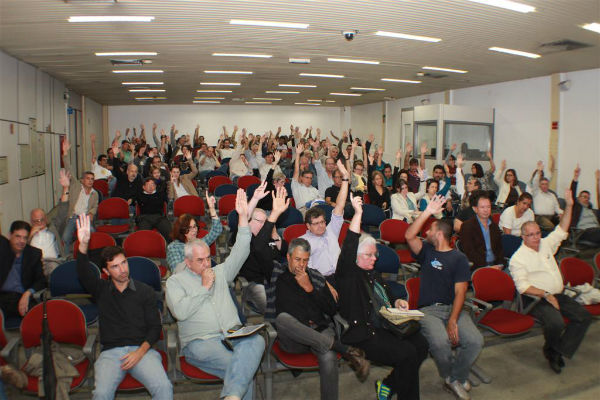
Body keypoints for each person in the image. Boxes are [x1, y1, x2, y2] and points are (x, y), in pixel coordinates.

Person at [166, 189, 264, 400]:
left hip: (232, 332)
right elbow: (181, 312)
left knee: (257, 342)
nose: (206, 264)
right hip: (201, 342)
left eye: (208, 258)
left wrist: (243, 218)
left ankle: (231, 396)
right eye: (200, 261)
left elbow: (241, 251)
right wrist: (203, 288)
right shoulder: (175, 282)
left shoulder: (219, 272)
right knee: (241, 369)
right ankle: (234, 395)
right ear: (188, 262)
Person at [335, 193, 429, 400]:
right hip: (365, 333)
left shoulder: (372, 272)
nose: (374, 259)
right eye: (368, 255)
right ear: (355, 258)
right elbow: (349, 246)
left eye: (375, 255)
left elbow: (384, 295)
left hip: (385, 323)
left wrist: (396, 301)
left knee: (422, 345)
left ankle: (387, 384)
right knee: (407, 353)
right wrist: (358, 214)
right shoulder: (348, 275)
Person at [75, 214, 172, 399]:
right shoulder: (101, 289)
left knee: (164, 387)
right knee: (101, 394)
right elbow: (83, 273)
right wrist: (83, 245)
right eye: (115, 267)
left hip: (142, 350)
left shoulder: (145, 291)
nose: (123, 270)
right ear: (105, 271)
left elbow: (155, 327)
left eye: (124, 263)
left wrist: (140, 352)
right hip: (111, 354)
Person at [406, 195, 483, 400]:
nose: (427, 232)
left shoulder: (458, 258)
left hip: (453, 309)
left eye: (430, 230)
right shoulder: (427, 252)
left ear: (439, 234)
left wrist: (453, 320)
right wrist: (427, 212)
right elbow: (409, 235)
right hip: (428, 311)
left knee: (476, 340)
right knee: (440, 343)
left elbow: (461, 292)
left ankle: (455, 377)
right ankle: (453, 378)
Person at [274, 237, 370, 400]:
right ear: (289, 258)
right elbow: (290, 313)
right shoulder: (280, 279)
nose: (301, 265)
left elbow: (332, 309)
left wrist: (310, 289)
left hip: (320, 331)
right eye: (297, 259)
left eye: (305, 260)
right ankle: (345, 350)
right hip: (296, 339)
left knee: (329, 356)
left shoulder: (315, 278)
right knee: (283, 319)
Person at [509, 190, 591, 374]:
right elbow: (523, 287)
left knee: (583, 317)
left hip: (557, 295)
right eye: (531, 235)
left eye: (538, 233)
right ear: (523, 237)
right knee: (556, 323)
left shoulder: (545, 244)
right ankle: (554, 352)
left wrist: (569, 206)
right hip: (536, 299)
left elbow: (562, 229)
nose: (536, 237)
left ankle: (555, 350)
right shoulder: (517, 259)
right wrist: (545, 294)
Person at [239, 187, 289, 314]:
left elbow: (285, 251)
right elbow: (258, 247)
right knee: (275, 309)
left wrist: (276, 236)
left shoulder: (268, 235)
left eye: (265, 222)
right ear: (248, 222)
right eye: (259, 221)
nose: (263, 225)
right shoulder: (242, 238)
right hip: (255, 283)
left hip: (275, 278)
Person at [301, 160, 350, 285]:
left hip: (342, 276)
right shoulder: (303, 242)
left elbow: (339, 206)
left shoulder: (330, 231)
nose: (321, 226)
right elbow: (307, 273)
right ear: (308, 226)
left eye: (322, 222)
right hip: (321, 282)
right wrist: (326, 285)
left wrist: (345, 179)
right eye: (316, 223)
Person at [166, 191, 222, 271]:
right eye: (189, 228)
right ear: (181, 230)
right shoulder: (174, 247)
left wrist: (212, 209)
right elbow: (177, 271)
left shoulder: (199, 242)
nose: (194, 231)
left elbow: (217, 230)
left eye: (195, 227)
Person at [61, 139, 99, 254]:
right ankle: (67, 257)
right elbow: (69, 169)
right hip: (73, 217)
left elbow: (95, 206)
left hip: (85, 219)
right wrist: (65, 154)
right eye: (88, 178)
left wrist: (91, 213)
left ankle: (88, 255)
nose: (90, 181)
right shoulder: (76, 186)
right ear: (82, 180)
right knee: (65, 238)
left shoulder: (95, 193)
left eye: (92, 179)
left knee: (92, 234)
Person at [0, 221, 45, 318]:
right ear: (9, 235)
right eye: (18, 236)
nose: (21, 241)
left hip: (21, 297)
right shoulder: (2, 248)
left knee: (41, 317)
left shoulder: (34, 254)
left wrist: (28, 293)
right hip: (2, 297)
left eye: (25, 238)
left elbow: (41, 280)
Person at [459, 191, 505, 270]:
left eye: (488, 207)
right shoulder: (467, 226)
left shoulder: (494, 226)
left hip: (496, 265)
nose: (486, 210)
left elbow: (499, 249)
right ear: (475, 209)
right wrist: (488, 267)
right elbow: (470, 252)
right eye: (482, 207)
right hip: (479, 267)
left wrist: (500, 264)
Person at [569, 166, 600, 246]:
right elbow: (572, 194)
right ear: (578, 198)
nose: (587, 199)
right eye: (584, 197)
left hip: (595, 231)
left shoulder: (591, 210)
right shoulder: (576, 207)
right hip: (583, 232)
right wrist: (575, 178)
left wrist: (598, 181)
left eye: (588, 198)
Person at [529, 161, 563, 231]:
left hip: (552, 217)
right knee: (551, 227)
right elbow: (535, 182)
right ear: (539, 185)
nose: (544, 186)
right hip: (540, 217)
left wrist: (562, 214)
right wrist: (539, 171)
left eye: (546, 184)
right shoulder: (536, 192)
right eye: (542, 184)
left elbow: (557, 208)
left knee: (564, 224)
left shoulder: (552, 195)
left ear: (548, 185)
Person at [291, 143, 320, 215]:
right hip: (304, 210)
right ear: (301, 177)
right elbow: (297, 170)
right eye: (307, 178)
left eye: (310, 178)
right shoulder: (296, 186)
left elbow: (320, 201)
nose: (309, 180)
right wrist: (297, 154)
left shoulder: (314, 189)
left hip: (317, 209)